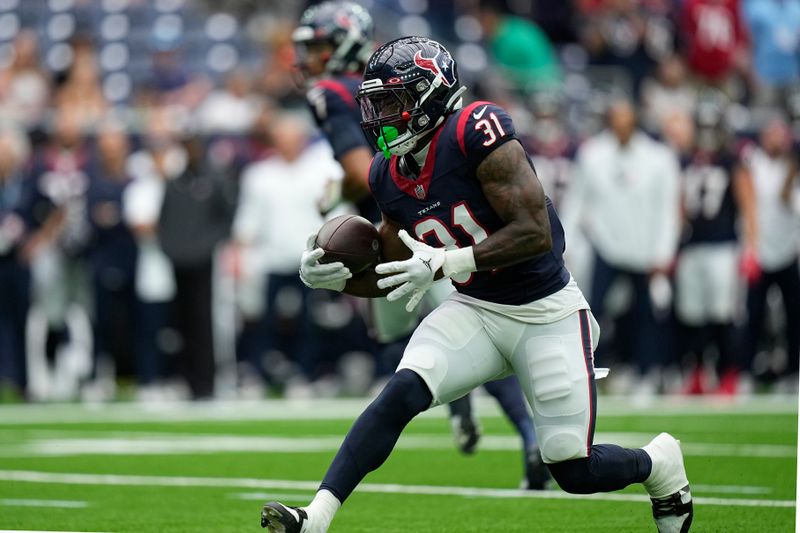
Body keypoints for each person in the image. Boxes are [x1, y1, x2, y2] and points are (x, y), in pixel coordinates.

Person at [261, 36, 692, 533]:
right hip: (477, 308)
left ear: (429, 96)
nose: (379, 117)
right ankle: (317, 516)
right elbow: (397, 270)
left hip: (545, 311)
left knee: (573, 469)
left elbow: (537, 232)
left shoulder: (474, 131)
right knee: (401, 392)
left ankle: (659, 464)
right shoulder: (386, 173)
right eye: (375, 103)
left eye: (392, 102)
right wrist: (335, 280)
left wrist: (448, 262)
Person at [292, 1, 549, 488]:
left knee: (451, 328)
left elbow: (361, 172)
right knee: (442, 328)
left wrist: (338, 193)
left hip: (401, 223)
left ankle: (473, 408)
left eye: (320, 46)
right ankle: (499, 422)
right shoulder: (379, 84)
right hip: (422, 217)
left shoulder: (330, 92)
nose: (311, 58)